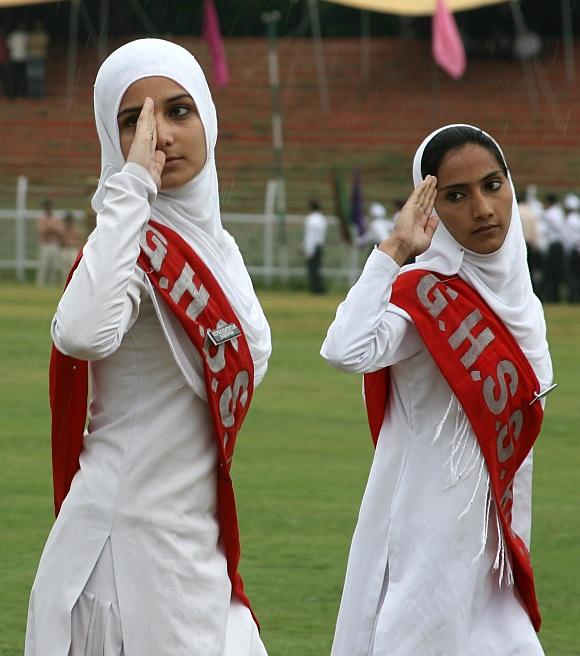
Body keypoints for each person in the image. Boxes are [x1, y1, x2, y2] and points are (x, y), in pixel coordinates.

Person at [25, 38, 271, 656]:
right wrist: (129, 188)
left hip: (197, 550)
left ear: (209, 122)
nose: (158, 134)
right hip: (119, 559)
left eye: (178, 111)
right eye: (132, 120)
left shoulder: (223, 250)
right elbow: (80, 333)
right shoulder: (126, 248)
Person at [321, 124, 553, 655]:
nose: (482, 208)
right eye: (456, 195)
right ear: (431, 206)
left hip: (493, 548)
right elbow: (345, 349)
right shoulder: (424, 294)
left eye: (493, 186)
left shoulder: (525, 304)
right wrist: (397, 248)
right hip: (425, 547)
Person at [517, 191, 543, 296]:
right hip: (530, 244)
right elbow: (535, 230)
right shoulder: (530, 212)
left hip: (520, 244)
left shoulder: (516, 211)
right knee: (530, 270)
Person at [542, 193, 566, 302]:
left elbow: (558, 227)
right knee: (556, 272)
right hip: (558, 245)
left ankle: (552, 296)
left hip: (554, 245)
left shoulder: (550, 214)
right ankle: (555, 296)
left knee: (552, 272)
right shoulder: (558, 212)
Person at [36, 197, 64, 286]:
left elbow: (60, 231)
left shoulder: (55, 218)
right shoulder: (41, 218)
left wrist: (50, 229)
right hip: (45, 245)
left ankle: (52, 285)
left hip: (54, 244)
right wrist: (52, 229)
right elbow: (42, 231)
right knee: (43, 266)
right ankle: (40, 285)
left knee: (54, 266)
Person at [303, 198, 327, 294]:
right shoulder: (322, 219)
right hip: (320, 245)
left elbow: (310, 236)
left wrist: (308, 249)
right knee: (318, 268)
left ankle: (315, 289)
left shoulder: (310, 219)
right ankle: (320, 288)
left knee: (312, 269)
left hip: (313, 246)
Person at [563, 193, 580, 303]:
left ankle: (573, 297)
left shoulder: (569, 219)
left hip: (573, 250)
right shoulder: (577, 219)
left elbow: (567, 237)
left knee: (573, 275)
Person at [26, 20, 49, 98]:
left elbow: (43, 44)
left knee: (39, 77)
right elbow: (28, 44)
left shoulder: (43, 35)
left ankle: (38, 94)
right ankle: (33, 94)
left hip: (38, 56)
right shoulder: (33, 35)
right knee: (32, 77)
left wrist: (34, 45)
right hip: (33, 56)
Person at [6, 22, 28, 97]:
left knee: (15, 77)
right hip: (22, 58)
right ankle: (23, 93)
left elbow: (8, 46)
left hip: (15, 58)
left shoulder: (12, 35)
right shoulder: (26, 35)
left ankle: (16, 93)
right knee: (22, 76)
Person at [59, 211, 82, 276]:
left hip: (73, 249)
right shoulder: (63, 229)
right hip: (65, 249)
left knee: (74, 268)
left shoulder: (76, 229)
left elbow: (79, 240)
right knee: (65, 269)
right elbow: (60, 241)